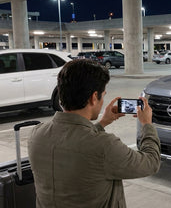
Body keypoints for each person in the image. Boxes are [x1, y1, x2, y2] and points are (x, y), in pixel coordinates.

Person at [28, 59, 161, 208]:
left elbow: (76, 143)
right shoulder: (104, 146)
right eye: (103, 95)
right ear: (93, 97)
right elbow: (150, 163)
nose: (103, 101)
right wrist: (146, 124)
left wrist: (102, 123)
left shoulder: (36, 135)